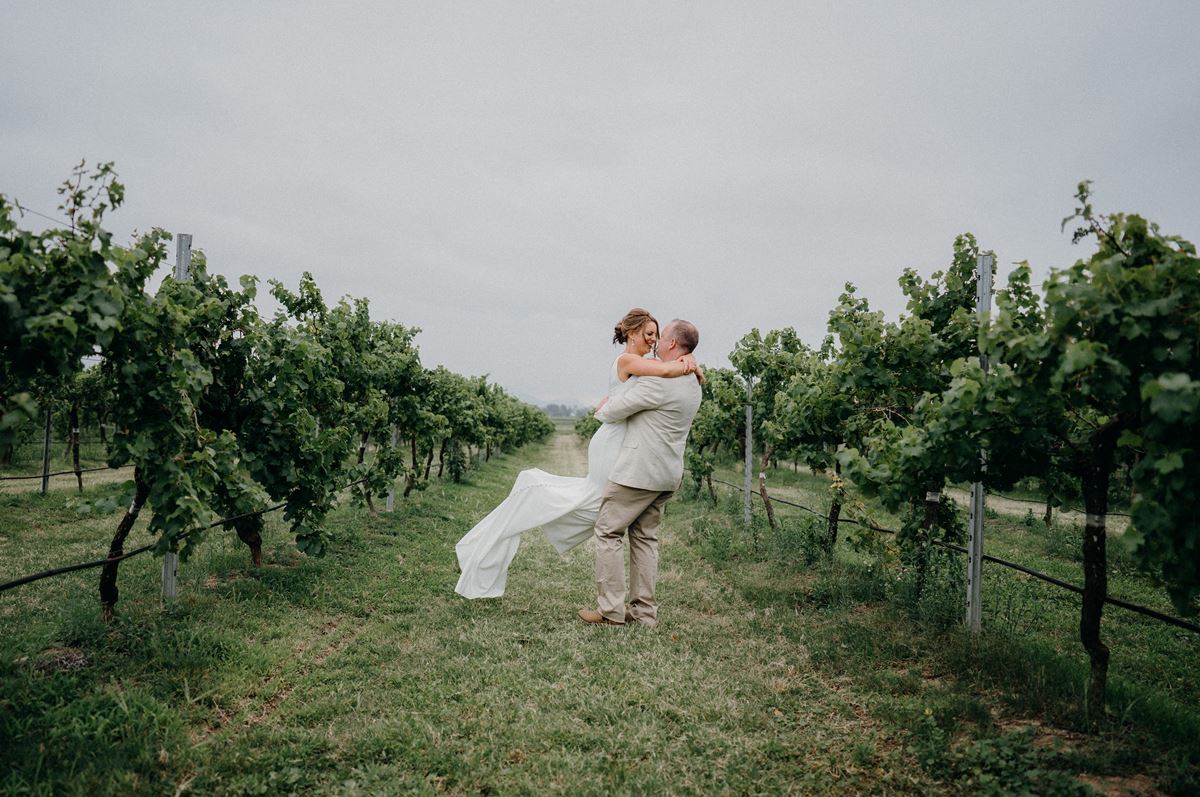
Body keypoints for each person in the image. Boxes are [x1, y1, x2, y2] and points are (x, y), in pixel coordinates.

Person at [454, 309, 702, 599]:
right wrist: (690, 362)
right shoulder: (630, 361)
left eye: (658, 335)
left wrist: (687, 360)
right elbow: (661, 372)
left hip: (626, 448)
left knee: (598, 510)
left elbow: (640, 387)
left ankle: (611, 603)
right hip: (616, 445)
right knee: (601, 510)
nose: (654, 340)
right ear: (633, 333)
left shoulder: (646, 364)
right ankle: (623, 604)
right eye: (649, 334)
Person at [577, 318, 702, 628]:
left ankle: (611, 611)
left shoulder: (659, 382)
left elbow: (613, 411)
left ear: (672, 344)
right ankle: (644, 614)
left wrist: (603, 406)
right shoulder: (694, 382)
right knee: (645, 539)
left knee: (608, 531)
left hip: (638, 473)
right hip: (668, 474)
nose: (656, 343)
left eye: (662, 338)